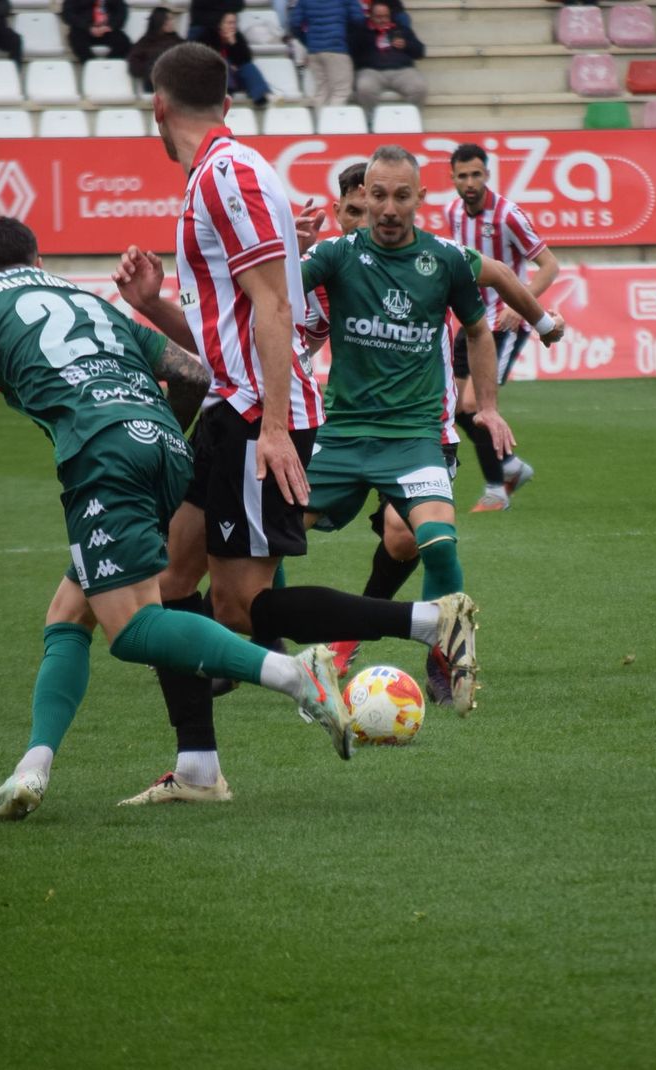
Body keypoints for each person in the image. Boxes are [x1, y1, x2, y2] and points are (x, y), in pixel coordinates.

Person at [0, 217, 355, 821]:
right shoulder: (79, 295)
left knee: (131, 632)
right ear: (38, 260)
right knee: (68, 613)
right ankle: (31, 769)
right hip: (164, 445)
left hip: (102, 456)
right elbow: (193, 374)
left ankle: (294, 673)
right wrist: (155, 438)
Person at [109, 43, 480, 803]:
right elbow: (235, 328)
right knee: (172, 580)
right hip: (229, 407)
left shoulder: (228, 175)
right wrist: (153, 307)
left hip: (252, 416)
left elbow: (277, 308)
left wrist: (274, 426)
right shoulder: (222, 174)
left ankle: (426, 622)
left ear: (157, 106)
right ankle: (198, 770)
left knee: (244, 607)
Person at [303, 163, 565, 681]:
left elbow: (499, 285)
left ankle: (431, 656)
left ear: (416, 198)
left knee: (407, 537)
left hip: (423, 429)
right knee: (265, 534)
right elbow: (277, 307)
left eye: (395, 198)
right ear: (340, 211)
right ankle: (266, 641)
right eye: (363, 205)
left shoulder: (440, 258)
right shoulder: (330, 260)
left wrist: (542, 323)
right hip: (347, 429)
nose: (381, 212)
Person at [445, 143, 558, 513]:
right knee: (454, 406)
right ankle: (509, 465)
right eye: (463, 176)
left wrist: (519, 301)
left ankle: (497, 489)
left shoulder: (508, 215)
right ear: (454, 179)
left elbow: (549, 265)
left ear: (487, 175)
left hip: (505, 322)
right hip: (472, 320)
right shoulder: (453, 213)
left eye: (476, 174)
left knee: (477, 403)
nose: (470, 182)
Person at [350, 0, 427, 107]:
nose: (382, 20)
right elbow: (353, 51)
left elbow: (420, 52)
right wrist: (368, 35)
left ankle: (409, 119)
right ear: (371, 16)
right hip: (371, 71)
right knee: (364, 88)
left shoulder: (400, 29)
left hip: (402, 70)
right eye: (378, 17)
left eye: (386, 16)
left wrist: (406, 45)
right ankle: (370, 120)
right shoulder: (361, 30)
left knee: (419, 88)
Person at [290, 0, 365, 105]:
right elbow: (359, 20)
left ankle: (321, 120)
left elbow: (294, 24)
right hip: (338, 49)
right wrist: (348, 40)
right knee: (341, 92)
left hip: (314, 51)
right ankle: (332, 121)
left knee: (322, 93)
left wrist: (308, 42)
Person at [212, 10, 274, 106]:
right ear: (220, 24)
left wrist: (233, 44)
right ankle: (226, 94)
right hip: (216, 80)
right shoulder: (209, 36)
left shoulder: (238, 36)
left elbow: (246, 58)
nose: (232, 26)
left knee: (248, 67)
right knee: (223, 62)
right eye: (229, 23)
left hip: (236, 76)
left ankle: (260, 95)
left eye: (234, 23)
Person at [127, 7, 184, 91]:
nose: (172, 22)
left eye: (172, 19)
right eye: (168, 20)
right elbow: (134, 64)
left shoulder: (179, 42)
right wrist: (152, 71)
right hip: (154, 84)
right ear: (160, 21)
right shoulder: (145, 42)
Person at [63, 0, 131, 63]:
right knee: (77, 40)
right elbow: (68, 14)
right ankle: (91, 67)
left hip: (107, 30)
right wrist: (88, 27)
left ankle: (108, 66)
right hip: (83, 30)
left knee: (123, 42)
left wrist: (110, 26)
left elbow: (121, 10)